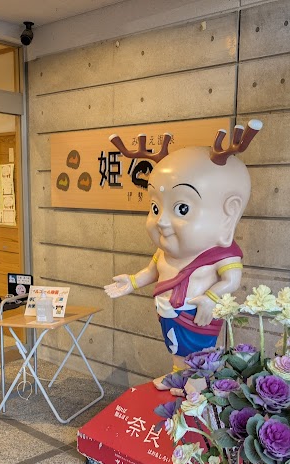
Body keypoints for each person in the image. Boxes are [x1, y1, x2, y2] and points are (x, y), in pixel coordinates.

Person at [104, 121, 261, 388]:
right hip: (168, 311)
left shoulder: (223, 255)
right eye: (155, 208)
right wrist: (132, 281)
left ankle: (198, 384)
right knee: (175, 347)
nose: (161, 221)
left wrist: (211, 299)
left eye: (182, 209)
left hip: (197, 311)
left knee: (199, 353)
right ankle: (180, 375)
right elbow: (152, 272)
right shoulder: (164, 251)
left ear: (228, 215)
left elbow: (231, 281)